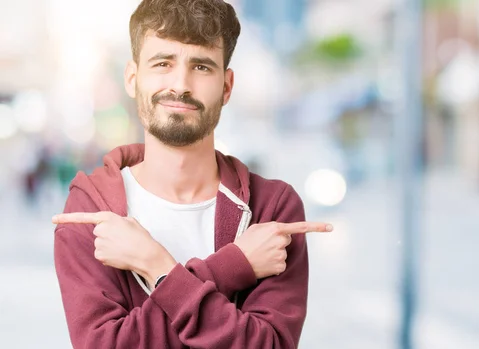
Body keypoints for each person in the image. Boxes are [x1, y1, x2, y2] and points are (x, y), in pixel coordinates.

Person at [51, 0, 333, 348]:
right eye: (163, 63)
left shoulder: (272, 208)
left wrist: (157, 267)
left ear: (227, 87)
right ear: (132, 78)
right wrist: (234, 265)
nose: (180, 84)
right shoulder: (92, 212)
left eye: (201, 66)